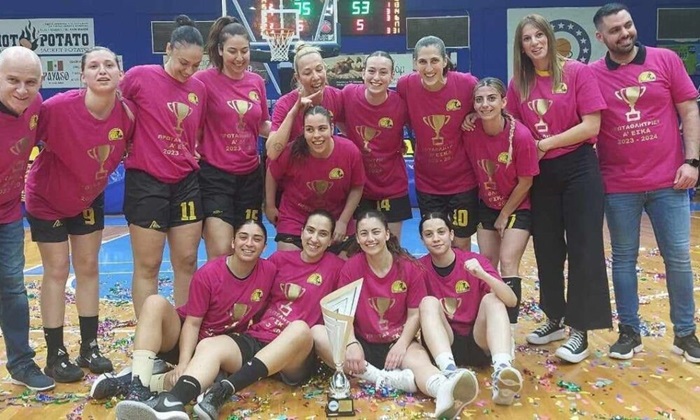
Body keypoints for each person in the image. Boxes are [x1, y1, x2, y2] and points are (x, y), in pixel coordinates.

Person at [114, 211, 344, 420]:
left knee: (300, 327)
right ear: (301, 232)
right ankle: (171, 402)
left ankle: (223, 389)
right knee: (210, 345)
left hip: (295, 353)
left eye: (323, 234)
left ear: (331, 239)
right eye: (310, 230)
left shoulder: (337, 267)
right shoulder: (277, 262)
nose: (314, 238)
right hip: (258, 340)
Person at [591, 3, 700, 362]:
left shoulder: (666, 60)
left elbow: (689, 110)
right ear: (600, 37)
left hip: (670, 182)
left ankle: (685, 334)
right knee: (623, 260)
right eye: (615, 30)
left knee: (678, 259)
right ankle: (629, 333)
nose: (625, 33)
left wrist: (692, 162)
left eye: (628, 25)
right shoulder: (592, 75)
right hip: (618, 185)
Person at [24, 47, 134, 383]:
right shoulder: (57, 109)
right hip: (47, 198)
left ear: (120, 74)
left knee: (88, 267)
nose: (102, 70)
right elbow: (22, 136)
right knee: (57, 270)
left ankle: (90, 346)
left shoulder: (127, 116)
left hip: (87, 198)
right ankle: (55, 354)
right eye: (94, 66)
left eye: (109, 65)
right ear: (82, 75)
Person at [506, 14, 612, 363]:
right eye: (527, 38)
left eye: (539, 35)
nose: (534, 42)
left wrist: (546, 143)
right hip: (541, 174)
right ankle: (554, 318)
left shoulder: (578, 72)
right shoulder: (519, 83)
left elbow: (591, 125)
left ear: (550, 37)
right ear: (521, 47)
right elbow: (513, 128)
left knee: (584, 248)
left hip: (579, 167)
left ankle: (580, 329)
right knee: (548, 249)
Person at [312, 210, 480, 419]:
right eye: (364, 233)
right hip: (362, 343)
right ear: (357, 238)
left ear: (387, 234)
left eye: (376, 232)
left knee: (421, 362)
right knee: (318, 333)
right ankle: (381, 378)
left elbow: (414, 314)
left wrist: (402, 344)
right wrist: (351, 343)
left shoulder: (408, 267)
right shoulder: (351, 268)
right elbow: (344, 313)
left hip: (398, 341)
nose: (370, 238)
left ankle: (443, 391)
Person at [90, 219, 276, 405]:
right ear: (233, 243)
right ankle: (139, 384)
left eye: (256, 239)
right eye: (243, 237)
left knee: (196, 383)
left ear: (265, 247)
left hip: (219, 348)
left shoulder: (268, 271)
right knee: (154, 303)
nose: (249, 243)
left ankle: (132, 382)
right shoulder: (209, 274)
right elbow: (192, 324)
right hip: (184, 339)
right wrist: (183, 363)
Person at [120, 15, 207, 317]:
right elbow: (115, 111)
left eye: (196, 65)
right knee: (149, 265)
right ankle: (148, 336)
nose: (189, 71)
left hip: (186, 182)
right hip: (147, 181)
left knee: (187, 261)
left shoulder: (199, 89)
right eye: (184, 62)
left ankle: (183, 333)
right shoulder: (139, 76)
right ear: (168, 49)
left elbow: (196, 132)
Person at [417, 212, 523, 408]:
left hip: (478, 341)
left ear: (451, 234)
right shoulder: (418, 268)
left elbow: (511, 300)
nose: (436, 238)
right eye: (429, 234)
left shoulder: (474, 260)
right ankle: (449, 373)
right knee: (428, 302)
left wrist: (483, 275)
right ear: (422, 240)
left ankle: (502, 371)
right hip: (444, 344)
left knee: (493, 299)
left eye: (441, 232)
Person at [464, 77, 539, 343]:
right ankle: (485, 321)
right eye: (479, 100)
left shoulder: (521, 136)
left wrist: (505, 214)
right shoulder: (470, 130)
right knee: (486, 262)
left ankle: (510, 327)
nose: (485, 104)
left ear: (504, 102)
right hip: (487, 205)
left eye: (491, 98)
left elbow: (526, 181)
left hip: (518, 205)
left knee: (507, 261)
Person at [0, 46, 55, 391]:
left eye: (30, 82)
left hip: (7, 212)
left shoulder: (36, 107)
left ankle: (21, 363)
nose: (22, 89)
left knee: (13, 288)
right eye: (13, 80)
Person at [194, 16, 271, 260]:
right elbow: (191, 122)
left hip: (250, 178)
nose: (239, 57)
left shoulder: (256, 82)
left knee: (248, 251)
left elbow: (262, 125)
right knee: (221, 251)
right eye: (232, 51)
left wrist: (294, 127)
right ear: (220, 50)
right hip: (214, 177)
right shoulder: (202, 81)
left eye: (244, 51)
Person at [396, 36, 479, 251]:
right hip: (428, 183)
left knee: (460, 242)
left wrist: (475, 115)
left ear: (445, 61)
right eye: (422, 62)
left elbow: (489, 105)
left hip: (462, 181)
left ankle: (461, 275)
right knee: (435, 243)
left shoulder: (466, 84)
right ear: (414, 63)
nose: (429, 68)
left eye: (434, 60)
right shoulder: (405, 85)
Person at [265, 106, 365, 255]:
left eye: (322, 128)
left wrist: (343, 221)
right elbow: (272, 173)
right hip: (296, 217)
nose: (316, 135)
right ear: (304, 131)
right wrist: (270, 206)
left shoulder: (350, 151)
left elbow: (357, 186)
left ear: (332, 128)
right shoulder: (292, 151)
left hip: (335, 218)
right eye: (310, 130)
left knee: (347, 267)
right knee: (289, 263)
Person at [342, 51, 411, 242]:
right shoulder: (348, 94)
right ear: (362, 73)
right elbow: (336, 118)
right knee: (360, 247)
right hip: (359, 188)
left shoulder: (401, 104)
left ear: (392, 76)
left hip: (392, 186)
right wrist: (351, 136)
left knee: (392, 247)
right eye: (371, 71)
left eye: (383, 72)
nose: (376, 77)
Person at [265, 43, 344, 161]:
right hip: (296, 166)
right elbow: (272, 152)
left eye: (319, 69)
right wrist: (294, 112)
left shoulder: (336, 96)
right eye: (307, 73)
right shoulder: (284, 104)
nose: (316, 77)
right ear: (298, 78)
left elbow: (349, 131)